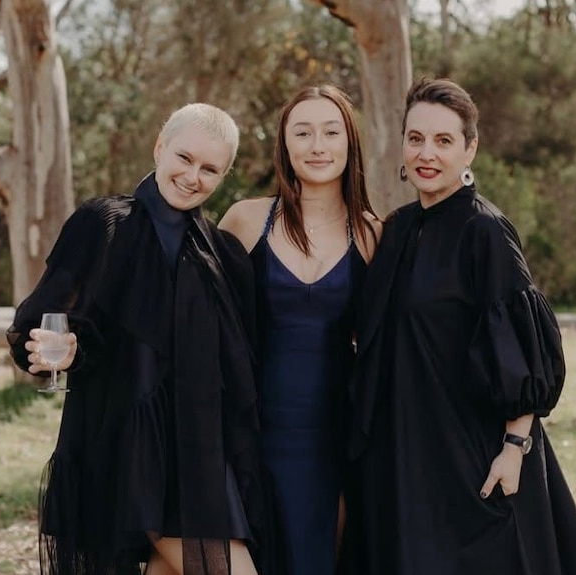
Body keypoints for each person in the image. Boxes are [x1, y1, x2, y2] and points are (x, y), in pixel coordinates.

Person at [348, 77, 576, 574]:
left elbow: (522, 351)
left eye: (443, 141)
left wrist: (514, 448)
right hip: (405, 448)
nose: (426, 153)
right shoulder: (397, 227)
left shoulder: (485, 230)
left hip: (473, 452)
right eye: (416, 138)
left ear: (470, 149)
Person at [6, 103, 267, 575]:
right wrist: (63, 351)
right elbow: (39, 319)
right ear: (159, 148)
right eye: (184, 158)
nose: (192, 177)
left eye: (209, 169)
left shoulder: (220, 253)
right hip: (125, 451)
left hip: (198, 460)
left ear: (223, 176)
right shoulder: (104, 223)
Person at [218, 84, 381, 575]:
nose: (317, 146)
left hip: (335, 433)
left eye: (331, 132)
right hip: (250, 425)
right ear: (284, 144)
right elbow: (198, 315)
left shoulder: (372, 233)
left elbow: (394, 338)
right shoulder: (246, 220)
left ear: (349, 142)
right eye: (303, 132)